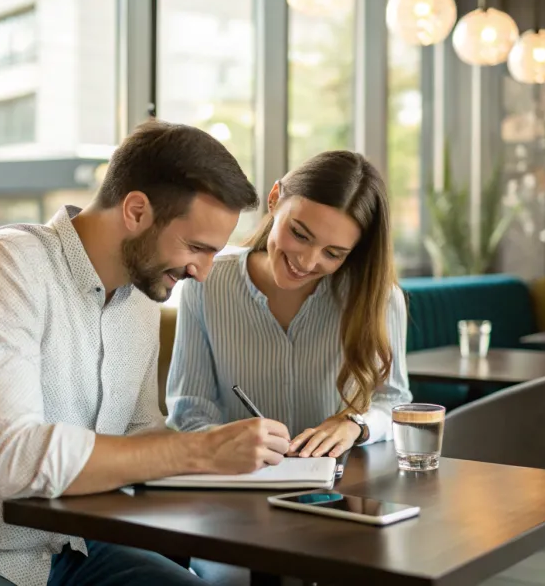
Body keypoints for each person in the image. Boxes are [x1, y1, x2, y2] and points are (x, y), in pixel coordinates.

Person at [0, 120, 292, 586]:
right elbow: (11, 462)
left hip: (68, 547)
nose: (203, 272)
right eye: (195, 247)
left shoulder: (144, 297)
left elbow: (138, 435)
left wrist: (237, 475)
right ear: (135, 210)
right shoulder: (6, 265)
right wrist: (198, 451)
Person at [166, 150, 411, 459]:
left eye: (333, 253)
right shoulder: (207, 283)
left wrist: (355, 425)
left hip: (342, 490)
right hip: (238, 485)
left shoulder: (381, 299)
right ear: (274, 199)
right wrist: (226, 443)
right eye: (299, 234)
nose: (307, 262)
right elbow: (189, 411)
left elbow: (394, 403)